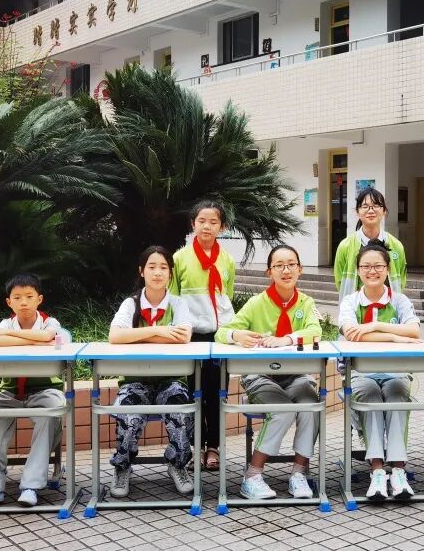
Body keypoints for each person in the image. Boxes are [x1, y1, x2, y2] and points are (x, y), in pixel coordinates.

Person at [216, 245, 323, 500]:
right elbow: (222, 332)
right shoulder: (256, 303)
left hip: (296, 375)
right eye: (279, 265)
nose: (286, 270)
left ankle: (299, 474)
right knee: (282, 409)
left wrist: (287, 339)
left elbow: (315, 331)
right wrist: (237, 335)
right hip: (260, 375)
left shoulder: (306, 302)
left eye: (291, 264)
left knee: (311, 406)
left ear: (300, 269)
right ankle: (252, 476)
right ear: (269, 272)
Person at [107, 245, 195, 498]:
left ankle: (178, 465)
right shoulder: (130, 304)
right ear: (141, 271)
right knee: (127, 412)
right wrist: (158, 330)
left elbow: (183, 337)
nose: (157, 272)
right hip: (135, 381)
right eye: (152, 267)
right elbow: (115, 336)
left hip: (171, 379)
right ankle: (122, 467)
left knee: (180, 409)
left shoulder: (178, 303)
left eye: (163, 267)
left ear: (171, 273)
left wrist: (135, 336)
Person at [0, 273, 65, 508]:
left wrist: (13, 337)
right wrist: (34, 340)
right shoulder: (6, 323)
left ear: (39, 299)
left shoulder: (50, 322)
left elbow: (47, 335)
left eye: (29, 296)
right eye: (17, 297)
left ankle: (31, 486)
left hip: (45, 390)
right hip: (9, 391)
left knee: (51, 413)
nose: (23, 302)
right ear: (9, 302)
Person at [338, 239, 421, 501]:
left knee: (397, 394)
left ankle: (398, 471)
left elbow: (414, 330)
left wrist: (374, 326)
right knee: (370, 395)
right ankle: (376, 471)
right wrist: (395, 337)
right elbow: (352, 334)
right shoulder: (350, 301)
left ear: (387, 269)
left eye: (378, 266)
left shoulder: (400, 300)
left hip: (396, 372)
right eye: (366, 266)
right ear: (358, 270)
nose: (372, 271)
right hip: (361, 373)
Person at [171, 200, 236, 473]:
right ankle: (195, 445)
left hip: (219, 339)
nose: (207, 226)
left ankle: (214, 447)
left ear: (222, 227)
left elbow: (227, 296)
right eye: (202, 221)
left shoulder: (227, 259)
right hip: (191, 337)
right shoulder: (179, 258)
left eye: (213, 222)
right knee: (192, 393)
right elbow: (174, 298)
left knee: (217, 393)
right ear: (192, 224)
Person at [333, 187, 408, 301]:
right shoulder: (345, 246)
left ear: (384, 211)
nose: (371, 210)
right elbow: (339, 281)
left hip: (389, 308)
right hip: (355, 309)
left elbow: (401, 280)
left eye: (376, 205)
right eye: (365, 206)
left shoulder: (396, 246)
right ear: (357, 212)